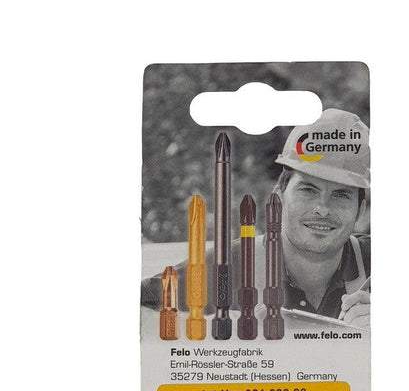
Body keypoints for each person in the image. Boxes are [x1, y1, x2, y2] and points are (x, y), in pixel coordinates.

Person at [141, 108, 370, 328]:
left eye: (341, 194)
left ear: (361, 210)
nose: (322, 208)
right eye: (308, 190)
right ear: (279, 197)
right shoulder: (224, 269)